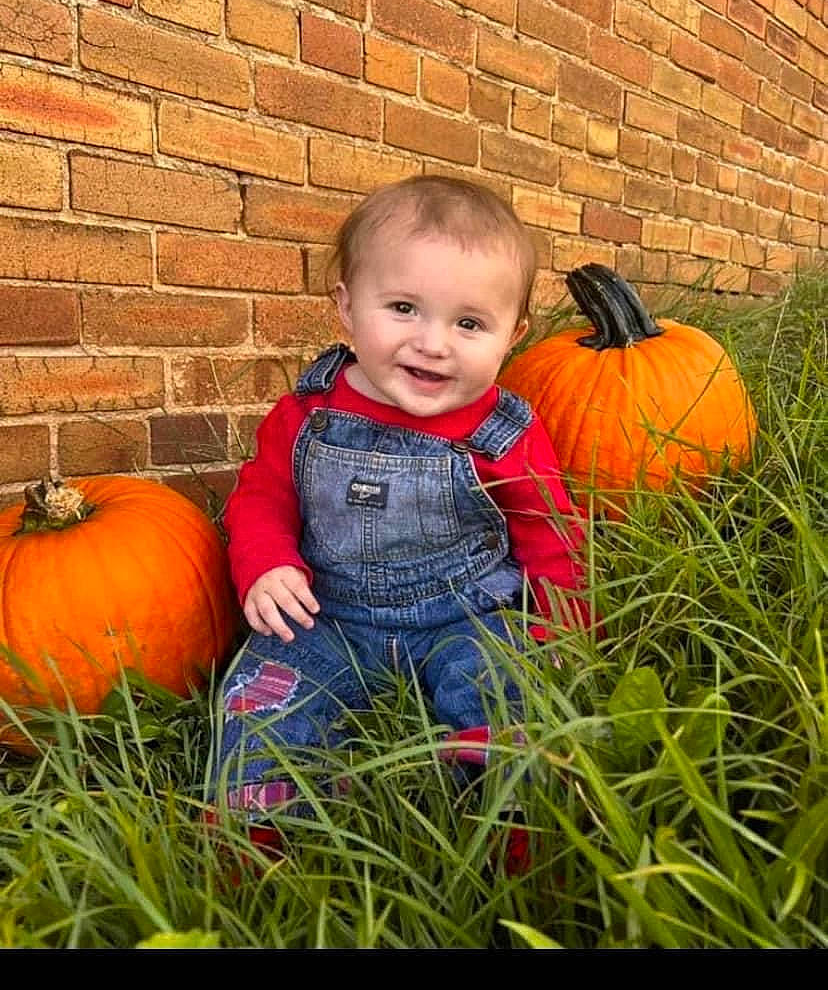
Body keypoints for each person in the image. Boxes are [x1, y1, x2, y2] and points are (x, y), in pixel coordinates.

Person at [209, 175, 590, 876]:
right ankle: (254, 833)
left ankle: (511, 815)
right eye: (404, 308)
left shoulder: (503, 432)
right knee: (261, 693)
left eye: (469, 323)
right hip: (328, 615)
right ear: (347, 310)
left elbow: (549, 531)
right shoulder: (307, 414)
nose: (433, 343)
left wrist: (559, 627)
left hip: (468, 615)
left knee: (510, 685)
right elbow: (261, 495)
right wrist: (264, 561)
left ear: (516, 333)